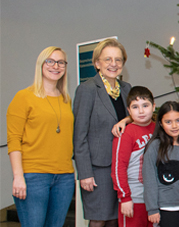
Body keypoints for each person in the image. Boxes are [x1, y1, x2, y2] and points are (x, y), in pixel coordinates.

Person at [7, 46, 75, 227]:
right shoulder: (24, 97)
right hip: (34, 176)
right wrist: (18, 176)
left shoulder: (66, 99)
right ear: (41, 65)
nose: (56, 66)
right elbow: (14, 140)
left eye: (61, 62)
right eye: (50, 61)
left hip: (64, 177)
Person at [74, 38, 132, 226]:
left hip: (123, 166)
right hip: (98, 169)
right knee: (99, 220)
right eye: (108, 59)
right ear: (97, 63)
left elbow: (138, 118)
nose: (113, 64)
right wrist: (84, 173)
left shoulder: (126, 89)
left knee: (116, 219)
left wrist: (126, 119)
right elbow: (79, 135)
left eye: (118, 60)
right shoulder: (87, 89)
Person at [143, 101, 179, 227]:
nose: (174, 126)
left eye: (178, 120)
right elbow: (149, 180)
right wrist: (152, 209)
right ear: (161, 124)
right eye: (168, 122)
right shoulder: (154, 147)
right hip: (165, 208)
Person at [111, 86, 156, 227]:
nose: (141, 111)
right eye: (135, 107)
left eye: (145, 105)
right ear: (129, 111)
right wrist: (125, 198)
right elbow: (118, 168)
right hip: (133, 199)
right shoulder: (125, 133)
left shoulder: (159, 129)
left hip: (155, 199)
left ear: (154, 107)